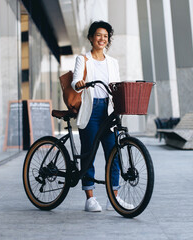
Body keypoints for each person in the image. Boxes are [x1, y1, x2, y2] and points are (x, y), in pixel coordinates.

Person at [71, 21, 120, 212]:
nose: (102, 39)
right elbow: (75, 80)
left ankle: (114, 198)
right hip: (91, 109)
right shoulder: (83, 59)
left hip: (108, 110)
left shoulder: (113, 62)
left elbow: (116, 86)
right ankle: (90, 198)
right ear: (91, 38)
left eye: (106, 36)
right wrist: (80, 83)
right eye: (98, 35)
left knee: (113, 154)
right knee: (88, 154)